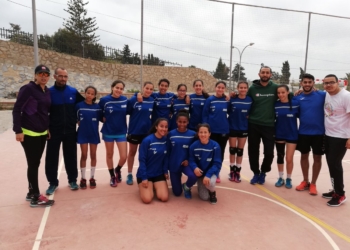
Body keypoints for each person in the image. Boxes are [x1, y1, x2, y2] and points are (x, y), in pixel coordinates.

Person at [13, 64, 54, 207]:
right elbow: (17, 109)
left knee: (35, 163)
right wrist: (18, 130)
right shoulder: (28, 89)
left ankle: (31, 192)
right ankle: (36, 196)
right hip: (29, 132)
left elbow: (45, 112)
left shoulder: (46, 91)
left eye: (46, 74)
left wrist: (47, 128)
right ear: (35, 75)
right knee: (33, 164)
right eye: (40, 74)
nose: (43, 76)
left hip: (42, 132)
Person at [45, 67, 85, 195]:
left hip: (70, 131)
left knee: (71, 156)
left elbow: (85, 104)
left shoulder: (73, 92)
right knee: (51, 158)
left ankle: (72, 180)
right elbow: (42, 112)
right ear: (55, 77)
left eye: (65, 76)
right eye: (60, 76)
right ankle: (52, 183)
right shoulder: (48, 92)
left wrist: (80, 119)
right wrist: (46, 128)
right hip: (53, 131)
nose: (63, 79)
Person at [294, 73, 326, 195]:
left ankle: (313, 183)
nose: (307, 84)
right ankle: (305, 181)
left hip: (319, 133)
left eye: (309, 82)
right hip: (303, 133)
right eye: (305, 82)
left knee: (317, 158)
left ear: (313, 83)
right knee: (304, 156)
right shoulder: (297, 97)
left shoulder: (322, 95)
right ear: (301, 83)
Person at [322, 74, 350, 206]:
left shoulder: (346, 96)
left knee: (335, 164)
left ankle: (340, 194)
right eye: (326, 83)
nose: (328, 85)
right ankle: (335, 190)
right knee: (331, 164)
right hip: (328, 135)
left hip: (340, 137)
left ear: (338, 82)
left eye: (331, 82)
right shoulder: (327, 94)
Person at [247, 66, 279, 185]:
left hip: (269, 125)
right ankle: (256, 173)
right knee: (253, 151)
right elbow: (245, 100)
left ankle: (264, 172)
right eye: (263, 72)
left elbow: (287, 94)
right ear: (259, 74)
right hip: (253, 124)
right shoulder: (252, 89)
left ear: (270, 75)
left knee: (269, 152)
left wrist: (299, 91)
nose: (265, 74)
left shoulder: (275, 88)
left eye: (267, 73)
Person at [98, 80, 128, 187]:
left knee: (124, 156)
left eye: (121, 89)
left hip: (121, 132)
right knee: (109, 154)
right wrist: (102, 119)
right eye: (117, 88)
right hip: (108, 132)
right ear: (112, 87)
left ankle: (118, 169)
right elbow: (98, 112)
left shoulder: (125, 100)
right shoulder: (104, 100)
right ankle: (112, 176)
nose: (119, 90)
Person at [126, 82, 155, 185]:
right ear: (143, 88)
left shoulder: (152, 101)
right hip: (134, 131)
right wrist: (136, 94)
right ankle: (129, 174)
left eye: (151, 89)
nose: (149, 91)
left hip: (146, 132)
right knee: (132, 153)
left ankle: (144, 173)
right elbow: (127, 111)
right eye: (147, 88)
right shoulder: (135, 100)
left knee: (143, 155)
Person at [187, 123, 222, 204]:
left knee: (211, 182)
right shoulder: (193, 146)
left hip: (211, 172)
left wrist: (208, 175)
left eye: (205, 132)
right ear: (198, 133)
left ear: (209, 133)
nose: (203, 134)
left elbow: (217, 163)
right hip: (200, 173)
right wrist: (195, 168)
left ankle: (212, 193)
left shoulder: (215, 146)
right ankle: (201, 183)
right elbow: (191, 160)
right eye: (201, 132)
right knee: (204, 197)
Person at [136, 118, 169, 204]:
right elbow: (142, 160)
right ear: (156, 127)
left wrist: (165, 171)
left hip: (158, 173)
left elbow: (165, 157)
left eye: (166, 127)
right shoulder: (147, 140)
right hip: (146, 174)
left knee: (164, 198)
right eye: (161, 126)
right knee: (147, 199)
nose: (164, 129)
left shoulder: (166, 141)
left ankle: (154, 186)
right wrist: (144, 177)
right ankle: (147, 186)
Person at [202, 81, 229, 183]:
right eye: (219, 87)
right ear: (215, 87)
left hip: (223, 131)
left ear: (225, 89)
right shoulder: (210, 100)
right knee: (210, 152)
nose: (220, 89)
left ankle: (217, 173)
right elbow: (205, 114)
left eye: (222, 88)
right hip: (212, 131)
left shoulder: (227, 100)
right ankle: (209, 172)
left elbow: (232, 112)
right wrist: (205, 130)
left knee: (220, 152)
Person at [75, 86, 102, 189]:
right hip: (83, 134)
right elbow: (76, 119)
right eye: (88, 93)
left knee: (93, 155)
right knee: (84, 155)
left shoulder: (97, 107)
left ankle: (92, 177)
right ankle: (82, 178)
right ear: (85, 93)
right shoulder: (79, 106)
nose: (90, 95)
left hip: (93, 134)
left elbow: (102, 118)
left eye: (92, 94)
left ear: (95, 95)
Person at [274, 85, 299, 189]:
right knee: (280, 157)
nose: (281, 95)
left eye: (283, 92)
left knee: (289, 158)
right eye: (279, 93)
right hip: (279, 134)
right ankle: (280, 177)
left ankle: (289, 178)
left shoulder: (296, 104)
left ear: (288, 92)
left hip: (292, 135)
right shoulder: (275, 104)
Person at [167, 110, 196, 197]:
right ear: (176, 121)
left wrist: (188, 160)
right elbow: (168, 150)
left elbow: (194, 151)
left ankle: (186, 187)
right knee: (177, 193)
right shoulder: (171, 134)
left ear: (188, 122)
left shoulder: (193, 134)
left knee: (193, 176)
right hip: (174, 164)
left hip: (186, 164)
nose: (182, 124)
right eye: (180, 122)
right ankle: (177, 181)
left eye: (184, 122)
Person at [228, 81, 252, 183]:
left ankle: (238, 172)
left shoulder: (250, 100)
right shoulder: (232, 99)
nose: (242, 89)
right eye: (241, 87)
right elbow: (228, 110)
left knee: (240, 151)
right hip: (232, 127)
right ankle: (232, 171)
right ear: (237, 88)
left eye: (244, 87)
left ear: (247, 89)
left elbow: (253, 111)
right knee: (232, 150)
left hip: (244, 128)